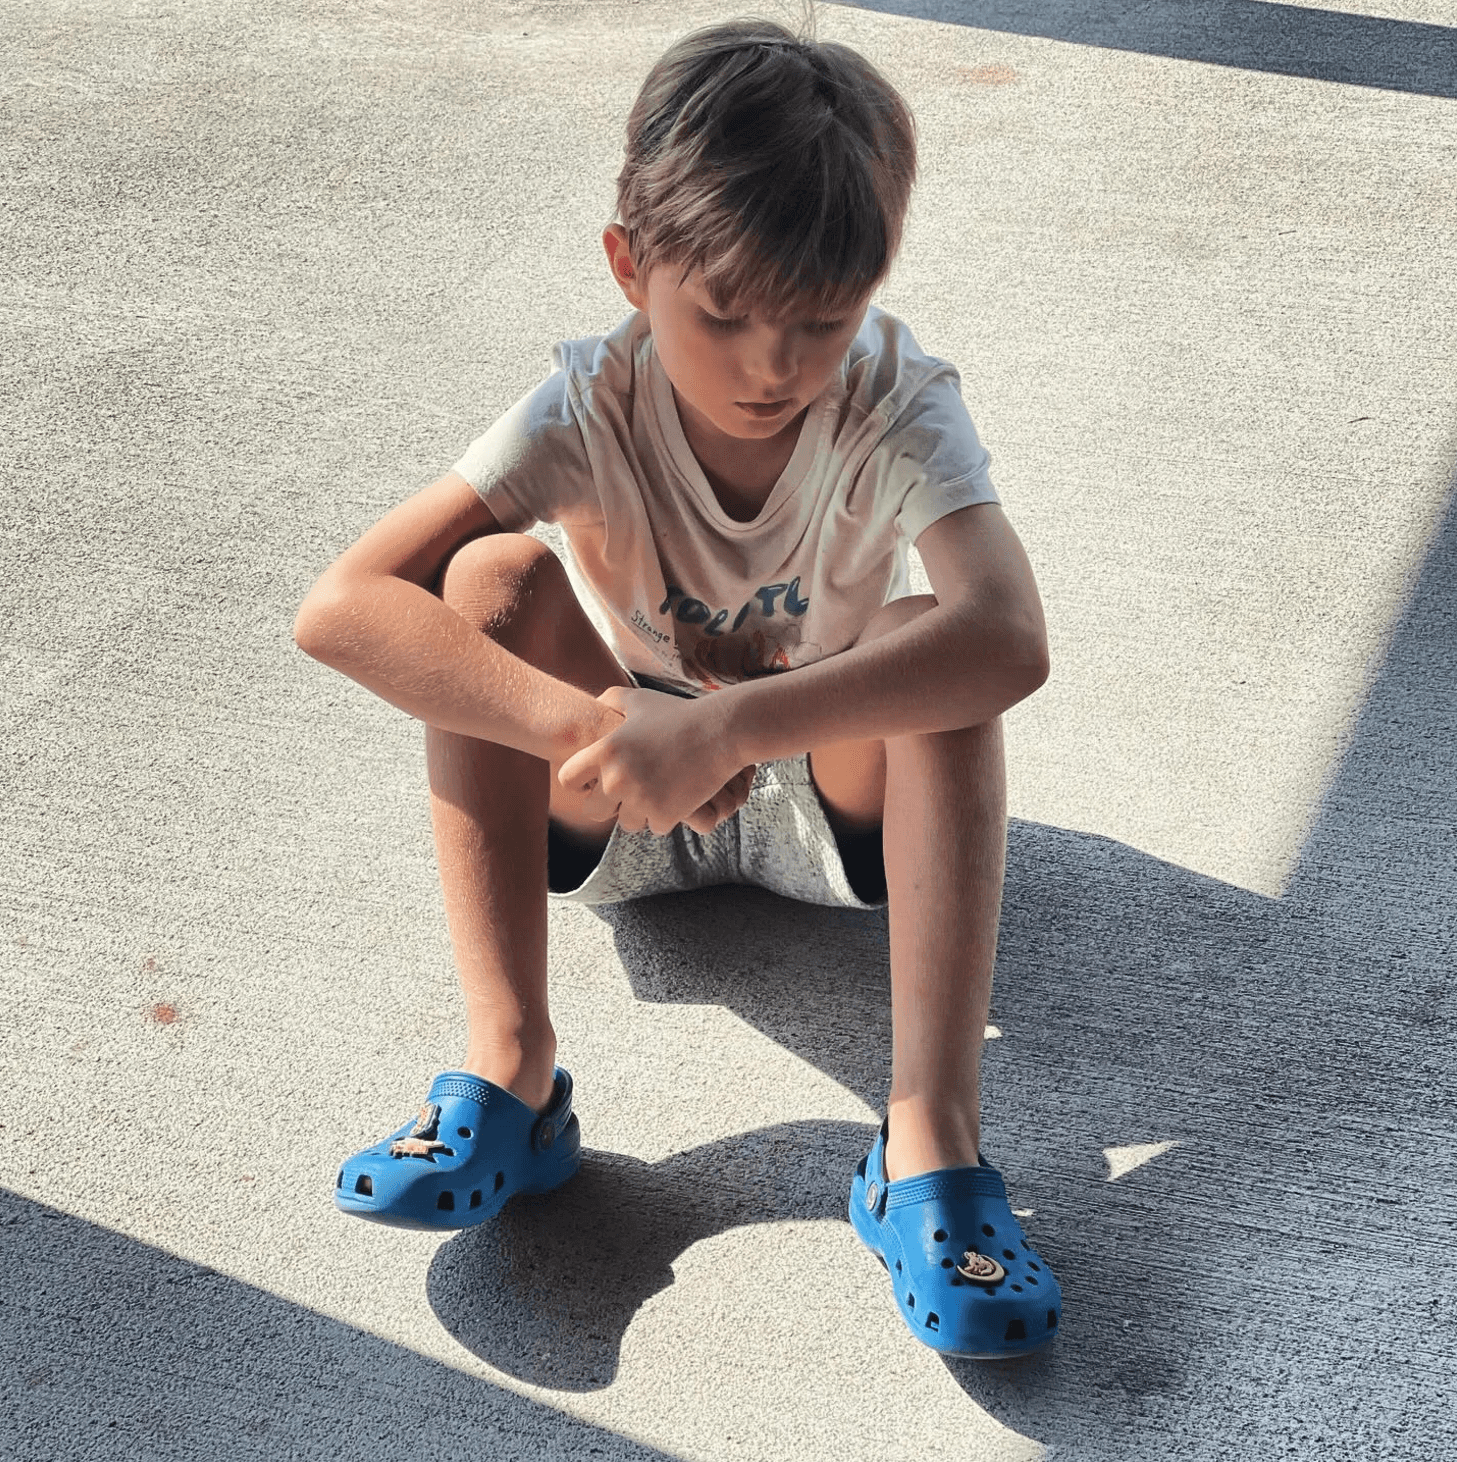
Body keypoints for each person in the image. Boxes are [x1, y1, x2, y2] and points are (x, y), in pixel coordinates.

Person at [293, 14, 1060, 1360]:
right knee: (486, 585)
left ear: (872, 287)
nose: (775, 366)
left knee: (937, 631)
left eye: (823, 320)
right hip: (625, 798)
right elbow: (342, 606)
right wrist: (588, 724)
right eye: (723, 315)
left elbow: (1011, 636)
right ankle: (511, 1069)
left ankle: (928, 1136)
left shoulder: (893, 399)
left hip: (828, 803)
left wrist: (729, 722)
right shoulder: (588, 404)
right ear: (629, 265)